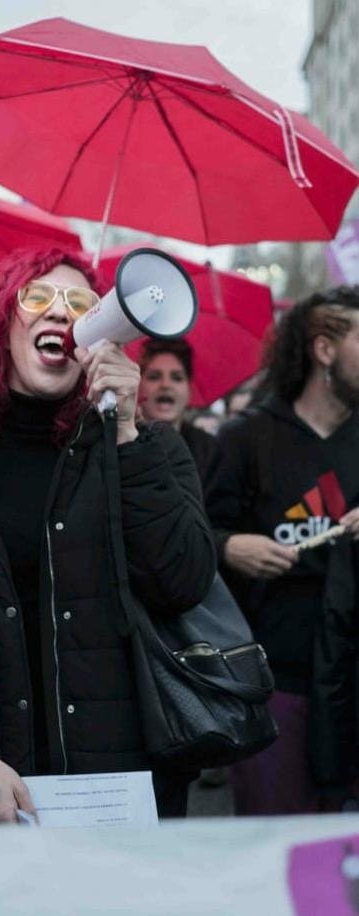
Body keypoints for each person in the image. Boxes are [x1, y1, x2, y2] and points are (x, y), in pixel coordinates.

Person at [0, 247, 217, 823]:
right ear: (2, 325)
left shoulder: (148, 447)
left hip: (112, 792)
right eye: (37, 298)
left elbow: (181, 581)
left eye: (79, 303)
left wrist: (127, 433)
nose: (60, 313)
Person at [205, 286, 359, 815]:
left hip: (352, 678)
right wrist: (228, 546)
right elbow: (187, 543)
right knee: (278, 849)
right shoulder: (244, 439)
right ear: (324, 350)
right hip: (277, 683)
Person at [136, 337, 220, 489]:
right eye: (154, 377)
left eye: (177, 378)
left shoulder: (211, 452)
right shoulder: (120, 445)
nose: (165, 385)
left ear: (189, 389)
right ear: (138, 386)